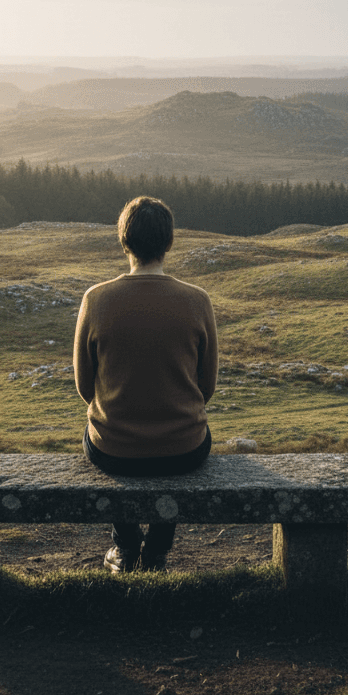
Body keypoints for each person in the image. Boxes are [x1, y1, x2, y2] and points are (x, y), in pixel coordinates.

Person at [74, 196, 218, 572]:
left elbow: (84, 387)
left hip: (114, 448)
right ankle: (155, 549)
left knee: (100, 440)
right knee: (176, 452)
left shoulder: (96, 299)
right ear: (169, 243)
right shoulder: (198, 301)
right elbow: (207, 387)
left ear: (124, 241)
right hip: (184, 447)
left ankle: (124, 548)